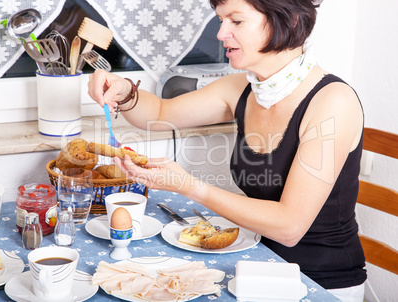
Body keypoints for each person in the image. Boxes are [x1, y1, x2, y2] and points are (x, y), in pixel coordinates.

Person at [87, 0, 366, 301]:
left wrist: (189, 187)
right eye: (221, 20)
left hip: (321, 282)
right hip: (256, 265)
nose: (220, 34)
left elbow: (289, 227)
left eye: (236, 21)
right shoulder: (241, 88)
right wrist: (124, 90)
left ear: (290, 20)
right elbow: (160, 112)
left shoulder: (333, 103)